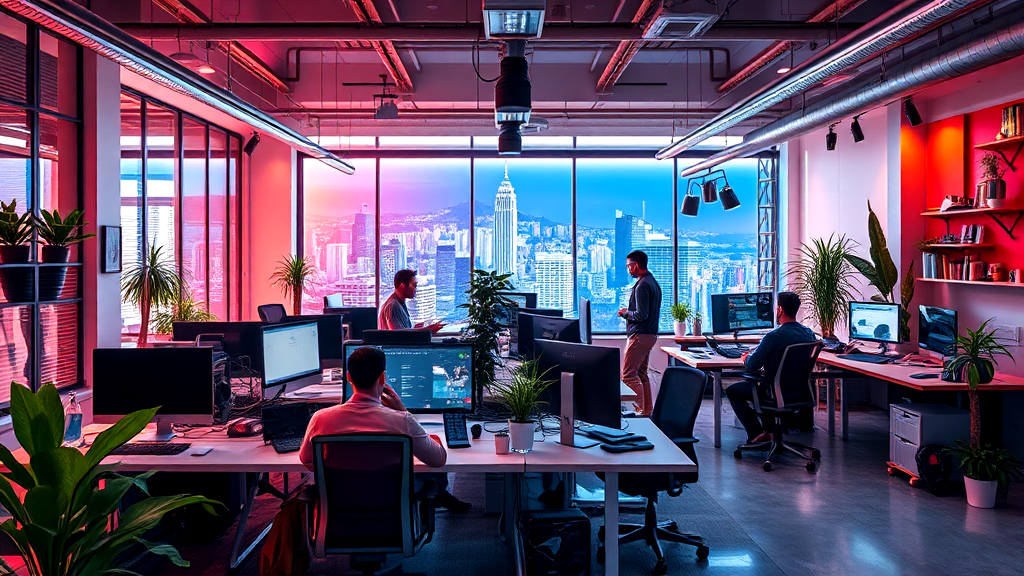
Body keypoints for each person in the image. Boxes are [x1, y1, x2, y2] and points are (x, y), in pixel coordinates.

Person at [299, 346, 470, 512]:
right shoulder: (401, 420)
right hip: (393, 520)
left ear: (349, 377)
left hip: (338, 518)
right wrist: (403, 411)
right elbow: (438, 459)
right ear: (382, 378)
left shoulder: (320, 419)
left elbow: (305, 458)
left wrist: (345, 469)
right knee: (426, 475)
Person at [725, 291, 817, 444]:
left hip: (774, 393)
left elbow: (753, 365)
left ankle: (757, 434)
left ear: (779, 310)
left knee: (733, 391)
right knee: (766, 384)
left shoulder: (773, 337)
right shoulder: (809, 334)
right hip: (801, 392)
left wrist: (746, 358)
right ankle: (771, 432)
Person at [617, 250, 662, 417]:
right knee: (642, 374)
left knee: (628, 375)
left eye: (629, 266)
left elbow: (641, 315)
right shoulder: (653, 282)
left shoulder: (643, 285)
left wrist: (625, 313)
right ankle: (646, 412)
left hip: (640, 335)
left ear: (635, 265)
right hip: (649, 335)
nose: (628, 269)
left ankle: (639, 411)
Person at [379, 269, 444, 332]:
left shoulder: (399, 303)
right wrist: (427, 330)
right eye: (414, 285)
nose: (415, 289)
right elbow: (397, 334)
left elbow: (404, 330)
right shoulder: (393, 305)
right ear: (402, 285)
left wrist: (423, 327)